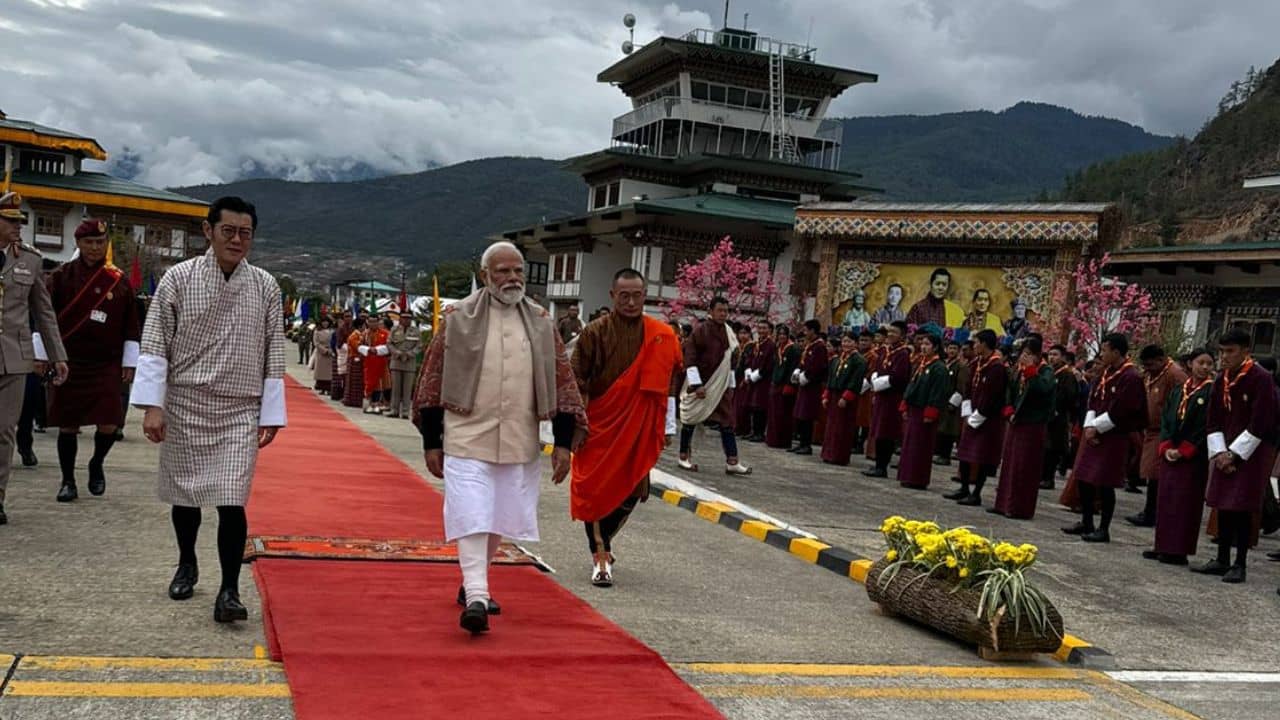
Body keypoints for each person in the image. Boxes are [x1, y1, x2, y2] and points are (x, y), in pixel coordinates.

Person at [413, 241, 583, 633]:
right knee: (471, 512)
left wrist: (562, 443)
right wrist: (432, 442)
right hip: (466, 435)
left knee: (497, 518)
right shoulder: (457, 318)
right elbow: (434, 382)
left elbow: (562, 385)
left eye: (518, 271)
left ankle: (474, 583)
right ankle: (476, 595)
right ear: (486, 275)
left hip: (519, 440)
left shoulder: (541, 321)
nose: (512, 278)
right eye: (503, 271)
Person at [131, 196, 286, 623]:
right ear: (208, 231)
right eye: (229, 231)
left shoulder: (266, 286)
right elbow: (155, 343)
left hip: (239, 409)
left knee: (232, 499)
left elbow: (275, 352)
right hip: (185, 401)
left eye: (246, 233)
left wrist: (271, 414)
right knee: (185, 496)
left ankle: (230, 589)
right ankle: (187, 562)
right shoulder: (178, 279)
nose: (237, 240)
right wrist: (152, 406)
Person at [570, 269, 682, 588]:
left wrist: (669, 424)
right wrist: (576, 423)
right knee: (592, 490)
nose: (631, 302)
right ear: (612, 296)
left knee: (634, 489)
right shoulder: (594, 333)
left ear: (645, 296)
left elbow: (671, 382)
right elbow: (576, 379)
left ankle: (605, 541)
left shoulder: (662, 335)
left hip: (638, 426)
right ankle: (600, 557)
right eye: (624, 296)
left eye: (637, 295)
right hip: (599, 424)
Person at [44, 219, 142, 502]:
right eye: (89, 242)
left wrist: (129, 362)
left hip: (107, 363)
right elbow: (45, 317)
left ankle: (97, 463)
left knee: (110, 422)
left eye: (100, 242)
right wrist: (44, 355)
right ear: (79, 243)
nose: (95, 247)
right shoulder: (61, 277)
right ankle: (67, 481)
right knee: (68, 424)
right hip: (69, 361)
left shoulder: (119, 280)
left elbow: (130, 325)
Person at [0, 191, 69, 526]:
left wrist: (58, 355)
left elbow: (44, 312)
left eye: (20, 222)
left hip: (14, 358)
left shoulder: (30, 260)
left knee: (4, 431)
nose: (18, 227)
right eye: (11, 221)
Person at [1194, 329, 1278, 583]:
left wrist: (1235, 455)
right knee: (1223, 505)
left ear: (1245, 351)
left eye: (1230, 351)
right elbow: (1214, 417)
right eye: (1222, 351)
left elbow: (1261, 421)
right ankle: (1221, 558)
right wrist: (1219, 452)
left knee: (1242, 506)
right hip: (1224, 449)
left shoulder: (1260, 378)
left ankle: (1240, 563)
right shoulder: (1222, 379)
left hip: (1250, 453)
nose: (1224, 357)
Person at [1063, 333, 1145, 544]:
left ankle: (1103, 528)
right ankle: (1087, 521)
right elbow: (1093, 400)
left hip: (1114, 435)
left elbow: (1124, 409)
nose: (1101, 354)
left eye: (1105, 350)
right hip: (1094, 433)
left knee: (1105, 483)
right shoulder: (1104, 373)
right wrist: (1090, 426)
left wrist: (1098, 428)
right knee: (1084, 478)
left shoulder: (1131, 377)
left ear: (1117, 352)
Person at [1143, 348, 1214, 566]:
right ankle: (1163, 545)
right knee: (1166, 500)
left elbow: (1205, 426)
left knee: (1185, 504)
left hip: (1192, 457)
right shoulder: (1180, 389)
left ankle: (1179, 550)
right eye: (1200, 363)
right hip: (1170, 451)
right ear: (1190, 364)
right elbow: (1166, 417)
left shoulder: (1210, 392)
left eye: (1209, 364)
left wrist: (1184, 450)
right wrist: (1166, 446)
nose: (1204, 368)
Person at [677, 297, 752, 475]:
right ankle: (683, 457)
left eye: (726, 311)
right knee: (691, 420)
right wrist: (697, 384)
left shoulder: (729, 332)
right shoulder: (700, 331)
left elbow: (732, 361)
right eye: (720, 310)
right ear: (711, 311)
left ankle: (732, 461)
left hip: (722, 384)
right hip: (702, 385)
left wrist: (730, 384)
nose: (723, 314)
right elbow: (690, 359)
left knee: (727, 422)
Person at [991, 337, 1055, 519]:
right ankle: (1002, 503)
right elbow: (1010, 388)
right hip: (1015, 421)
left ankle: (1018, 507)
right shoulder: (1019, 370)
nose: (1024, 357)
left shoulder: (1045, 371)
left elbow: (1043, 390)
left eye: (1028, 354)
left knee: (1023, 466)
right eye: (1023, 353)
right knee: (1009, 463)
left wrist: (1031, 372)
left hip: (1032, 424)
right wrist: (1009, 407)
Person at [1127, 345, 1186, 527]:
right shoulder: (1152, 375)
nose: (1147, 369)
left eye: (1150, 365)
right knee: (1151, 473)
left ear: (1161, 360)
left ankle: (1152, 513)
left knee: (1155, 474)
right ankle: (1150, 511)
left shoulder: (1174, 375)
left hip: (1164, 431)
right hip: (1151, 430)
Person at [948, 330, 1006, 505]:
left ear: (985, 344)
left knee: (982, 456)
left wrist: (978, 415)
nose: (974, 346)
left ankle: (977, 492)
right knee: (965, 454)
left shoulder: (997, 368)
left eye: (976, 342)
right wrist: (966, 412)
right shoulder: (977, 363)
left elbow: (993, 396)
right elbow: (968, 388)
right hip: (971, 414)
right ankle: (964, 487)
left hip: (986, 419)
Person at [896, 331, 949, 489]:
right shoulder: (921, 363)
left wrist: (931, 411)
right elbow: (912, 385)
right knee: (910, 445)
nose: (923, 347)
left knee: (921, 446)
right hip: (914, 410)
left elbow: (938, 392)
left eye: (927, 345)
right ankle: (907, 475)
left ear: (936, 348)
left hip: (924, 411)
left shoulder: (938, 368)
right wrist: (905, 403)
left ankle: (917, 479)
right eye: (922, 344)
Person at [862, 321, 911, 477]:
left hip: (892, 398)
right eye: (889, 331)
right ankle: (877, 464)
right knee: (878, 430)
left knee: (887, 432)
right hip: (881, 396)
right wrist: (875, 378)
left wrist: (881, 382)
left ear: (902, 335)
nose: (890, 335)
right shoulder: (884, 350)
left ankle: (882, 466)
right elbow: (878, 368)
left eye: (894, 332)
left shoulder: (903, 354)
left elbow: (900, 378)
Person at [821, 331, 867, 466]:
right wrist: (826, 395)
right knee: (831, 426)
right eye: (844, 341)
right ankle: (828, 453)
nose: (846, 344)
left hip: (846, 397)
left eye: (849, 341)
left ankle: (839, 456)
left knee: (843, 427)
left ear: (855, 343)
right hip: (834, 395)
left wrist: (846, 397)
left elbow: (855, 381)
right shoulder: (837, 359)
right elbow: (830, 379)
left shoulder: (859, 360)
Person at [790, 320, 830, 455]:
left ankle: (806, 445)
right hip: (803, 385)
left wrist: (807, 376)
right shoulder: (810, 345)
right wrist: (798, 371)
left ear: (813, 331)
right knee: (800, 414)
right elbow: (804, 362)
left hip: (812, 385)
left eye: (806, 330)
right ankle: (801, 443)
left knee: (807, 415)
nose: (805, 333)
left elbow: (818, 366)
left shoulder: (820, 347)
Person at [1043, 345, 1079, 489]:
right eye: (1050, 354)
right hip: (1047, 416)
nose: (1052, 357)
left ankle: (1048, 478)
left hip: (1059, 417)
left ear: (1063, 357)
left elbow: (1070, 397)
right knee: (1045, 448)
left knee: (1053, 449)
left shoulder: (1067, 375)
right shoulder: (1050, 372)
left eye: (1055, 354)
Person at [765, 325, 801, 449]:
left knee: (783, 414)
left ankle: (783, 441)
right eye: (779, 334)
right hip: (775, 383)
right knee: (774, 413)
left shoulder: (793, 349)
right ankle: (773, 439)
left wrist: (790, 385)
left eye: (784, 334)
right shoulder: (777, 348)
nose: (781, 336)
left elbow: (794, 367)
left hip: (785, 385)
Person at [742, 319, 775, 442]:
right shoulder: (757, 344)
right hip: (753, 378)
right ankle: (754, 431)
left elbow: (768, 364)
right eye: (760, 328)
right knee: (753, 406)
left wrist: (758, 374)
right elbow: (751, 358)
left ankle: (760, 433)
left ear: (769, 330)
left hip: (763, 380)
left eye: (764, 328)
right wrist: (749, 370)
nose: (761, 331)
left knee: (760, 406)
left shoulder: (770, 345)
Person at [934, 340, 964, 466]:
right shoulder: (944, 363)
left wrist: (953, 403)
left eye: (954, 348)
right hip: (942, 401)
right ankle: (939, 453)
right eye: (950, 348)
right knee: (940, 429)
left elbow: (961, 386)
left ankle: (945, 456)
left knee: (949, 430)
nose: (951, 351)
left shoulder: (960, 366)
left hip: (951, 403)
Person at [386, 313, 420, 419]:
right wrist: (397, 353)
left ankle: (405, 412)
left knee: (407, 389)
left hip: (409, 363)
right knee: (396, 388)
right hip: (396, 361)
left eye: (408, 318)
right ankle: (394, 410)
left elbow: (419, 346)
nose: (406, 320)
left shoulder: (416, 331)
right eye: (404, 318)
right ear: (400, 319)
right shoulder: (394, 330)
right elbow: (389, 343)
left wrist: (409, 354)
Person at [357, 315, 391, 414]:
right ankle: (369, 403)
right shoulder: (364, 334)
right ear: (367, 322)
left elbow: (389, 347)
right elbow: (359, 346)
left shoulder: (385, 333)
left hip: (381, 362)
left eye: (375, 321)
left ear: (378, 322)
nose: (373, 324)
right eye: (370, 322)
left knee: (381, 384)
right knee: (370, 383)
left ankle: (377, 404)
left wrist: (377, 350)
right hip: (369, 363)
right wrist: (368, 349)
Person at [732, 324, 755, 437]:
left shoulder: (751, 346)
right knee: (736, 403)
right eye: (741, 333)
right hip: (736, 377)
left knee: (743, 404)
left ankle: (743, 428)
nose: (742, 336)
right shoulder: (738, 346)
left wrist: (745, 378)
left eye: (745, 333)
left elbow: (749, 363)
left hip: (745, 377)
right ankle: (735, 425)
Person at [343, 317, 366, 408]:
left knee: (358, 382)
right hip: (354, 359)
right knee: (352, 381)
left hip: (360, 360)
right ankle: (351, 400)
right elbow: (358, 347)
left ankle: (357, 400)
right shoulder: (354, 336)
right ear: (360, 326)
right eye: (364, 325)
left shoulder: (361, 335)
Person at [312, 317, 334, 393]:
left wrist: (331, 350)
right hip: (321, 353)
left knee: (329, 373)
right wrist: (324, 350)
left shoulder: (332, 331)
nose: (325, 323)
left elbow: (334, 341)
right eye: (324, 322)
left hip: (330, 352)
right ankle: (322, 388)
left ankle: (329, 389)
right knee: (321, 372)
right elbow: (316, 343)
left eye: (327, 322)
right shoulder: (317, 331)